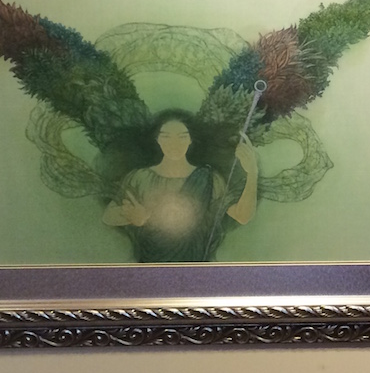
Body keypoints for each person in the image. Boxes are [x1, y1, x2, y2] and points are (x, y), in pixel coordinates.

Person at [103, 113, 258, 263]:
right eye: (166, 137)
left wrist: (252, 173)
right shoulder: (140, 177)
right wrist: (132, 217)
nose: (174, 144)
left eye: (182, 137)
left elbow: (242, 216)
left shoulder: (209, 178)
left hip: (196, 268)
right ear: (157, 140)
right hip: (150, 267)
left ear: (190, 140)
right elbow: (108, 216)